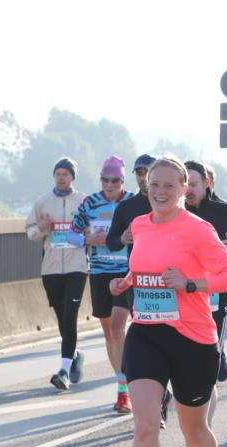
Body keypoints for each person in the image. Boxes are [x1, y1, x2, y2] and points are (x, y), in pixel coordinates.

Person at [108, 156, 227, 447]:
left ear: (185, 189)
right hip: (147, 333)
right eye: (154, 184)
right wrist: (126, 282)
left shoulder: (199, 230)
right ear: (146, 186)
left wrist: (189, 284)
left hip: (193, 338)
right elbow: (145, 268)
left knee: (194, 430)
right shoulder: (138, 225)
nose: (160, 191)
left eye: (169, 185)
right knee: (146, 425)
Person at [105, 154, 176, 427]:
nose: (144, 177)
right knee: (127, 334)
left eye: (148, 171)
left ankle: (161, 394)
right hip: (134, 279)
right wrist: (122, 238)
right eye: (140, 172)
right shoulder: (128, 207)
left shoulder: (171, 207)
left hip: (164, 283)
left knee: (159, 341)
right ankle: (139, 391)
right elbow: (112, 241)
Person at [69, 156, 136, 412]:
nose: (109, 184)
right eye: (105, 180)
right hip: (99, 273)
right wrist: (88, 240)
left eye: (115, 180)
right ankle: (123, 383)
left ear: (122, 180)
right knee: (110, 333)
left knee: (119, 327)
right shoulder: (90, 203)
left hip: (127, 271)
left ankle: (125, 391)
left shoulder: (132, 202)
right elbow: (70, 235)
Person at [184, 159, 227, 393]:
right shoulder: (172, 213)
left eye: (194, 184)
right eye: (185, 184)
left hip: (214, 298)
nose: (189, 190)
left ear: (206, 183)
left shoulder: (225, 212)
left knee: (207, 366)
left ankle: (217, 354)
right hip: (181, 296)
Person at [26, 158, 88, 391]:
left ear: (73, 177)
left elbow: (92, 230)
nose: (61, 177)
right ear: (54, 176)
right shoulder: (43, 202)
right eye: (58, 173)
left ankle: (63, 371)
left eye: (66, 173)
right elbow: (30, 233)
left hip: (77, 267)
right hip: (51, 269)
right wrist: (42, 226)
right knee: (62, 318)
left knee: (70, 315)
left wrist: (83, 233)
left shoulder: (83, 202)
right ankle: (75, 354)